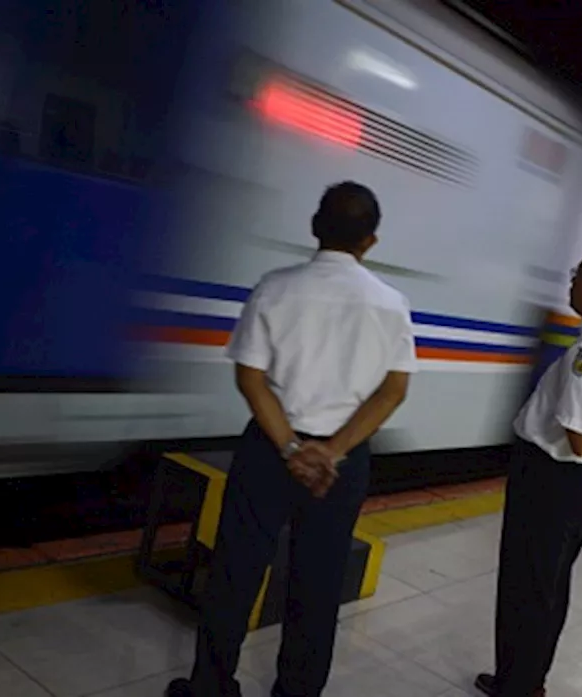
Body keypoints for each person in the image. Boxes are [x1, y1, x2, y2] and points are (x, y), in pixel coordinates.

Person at [166, 182, 416, 697]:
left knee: (236, 572)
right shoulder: (392, 305)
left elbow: (250, 378)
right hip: (341, 465)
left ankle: (210, 687)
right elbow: (393, 391)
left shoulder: (274, 288)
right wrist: (332, 451)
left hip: (269, 451)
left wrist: (291, 449)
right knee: (318, 582)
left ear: (314, 227)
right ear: (370, 241)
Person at [475, 245, 582, 697]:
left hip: (552, 478)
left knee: (525, 587)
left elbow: (581, 439)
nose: (570, 282)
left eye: (577, 275)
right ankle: (526, 680)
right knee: (549, 588)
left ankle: (517, 685)